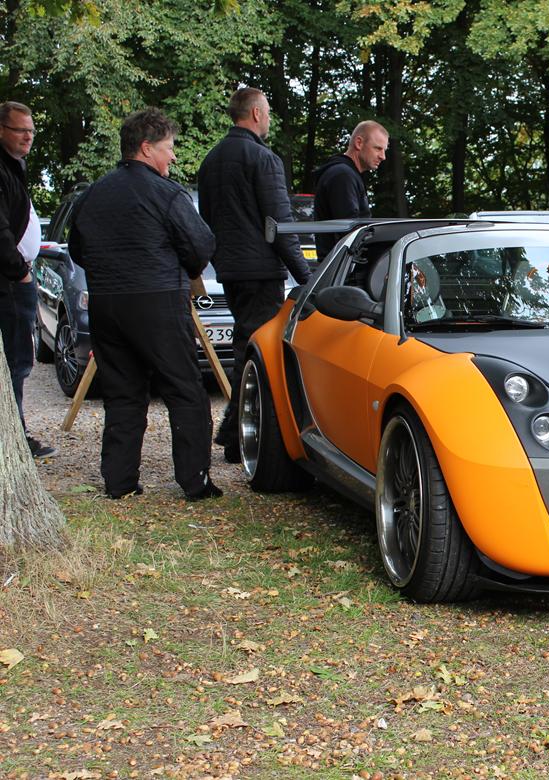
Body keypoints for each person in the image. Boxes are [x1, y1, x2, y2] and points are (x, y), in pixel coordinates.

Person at [69, 108, 220, 500]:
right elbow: (201, 245)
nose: (173, 157)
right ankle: (195, 481)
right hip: (155, 301)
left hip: (107, 304)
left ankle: (119, 482)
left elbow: (79, 249)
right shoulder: (167, 194)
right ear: (146, 147)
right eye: (168, 148)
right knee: (184, 388)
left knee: (122, 392)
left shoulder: (93, 194)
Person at [198, 87, 311, 463]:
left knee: (244, 343)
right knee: (260, 352)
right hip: (261, 270)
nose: (270, 119)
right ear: (257, 114)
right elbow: (279, 223)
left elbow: (209, 218)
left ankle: (235, 432)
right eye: (269, 112)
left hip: (230, 268)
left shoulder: (211, 160)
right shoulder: (263, 159)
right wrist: (305, 275)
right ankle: (243, 433)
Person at [0, 101, 55, 459]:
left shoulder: (14, 167)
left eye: (31, 131)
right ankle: (14, 436)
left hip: (16, 275)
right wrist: (19, 269)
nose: (28, 137)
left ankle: (16, 432)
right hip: (9, 281)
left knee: (21, 360)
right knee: (17, 361)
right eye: (21, 130)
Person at [313, 120, 389, 256]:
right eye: (378, 148)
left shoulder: (345, 173)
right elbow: (351, 232)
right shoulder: (342, 175)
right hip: (342, 268)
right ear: (359, 143)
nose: (383, 156)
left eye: (384, 150)